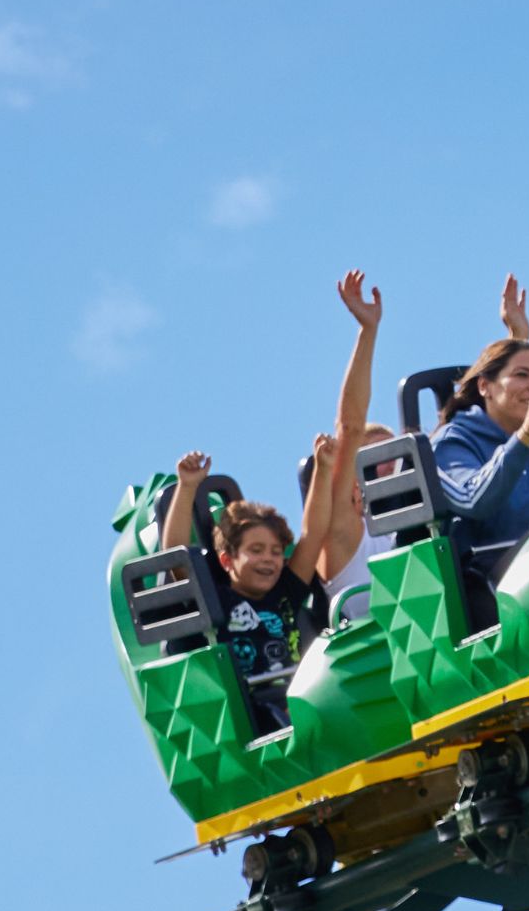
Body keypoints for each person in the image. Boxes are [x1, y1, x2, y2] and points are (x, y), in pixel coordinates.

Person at [150, 270, 389, 680]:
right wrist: (187, 488)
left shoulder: (286, 593)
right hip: (261, 704)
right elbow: (176, 556)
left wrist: (325, 469)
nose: (269, 560)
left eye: (275, 552)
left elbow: (312, 533)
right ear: (226, 559)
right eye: (257, 551)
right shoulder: (216, 601)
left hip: (296, 693)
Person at [428, 321, 529, 585]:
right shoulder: (449, 443)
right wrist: (525, 436)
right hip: (492, 584)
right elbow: (473, 498)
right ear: (485, 386)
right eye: (522, 375)